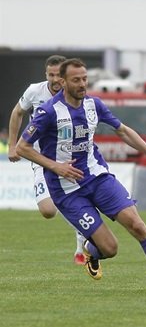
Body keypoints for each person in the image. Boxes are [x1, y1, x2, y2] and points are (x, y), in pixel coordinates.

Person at [16, 58, 146, 294]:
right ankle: (92, 250)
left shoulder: (94, 105)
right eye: (76, 80)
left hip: (97, 178)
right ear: (63, 82)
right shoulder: (48, 111)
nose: (82, 84)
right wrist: (56, 167)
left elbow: (123, 131)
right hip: (67, 189)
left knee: (137, 225)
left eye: (84, 79)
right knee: (110, 248)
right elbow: (22, 147)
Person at [6, 55, 87, 265]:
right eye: (50, 75)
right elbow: (17, 112)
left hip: (68, 158)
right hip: (41, 158)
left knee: (75, 198)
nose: (55, 79)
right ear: (46, 74)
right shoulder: (35, 91)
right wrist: (12, 145)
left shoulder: (73, 95)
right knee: (48, 211)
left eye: (58, 75)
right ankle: (82, 226)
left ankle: (82, 241)